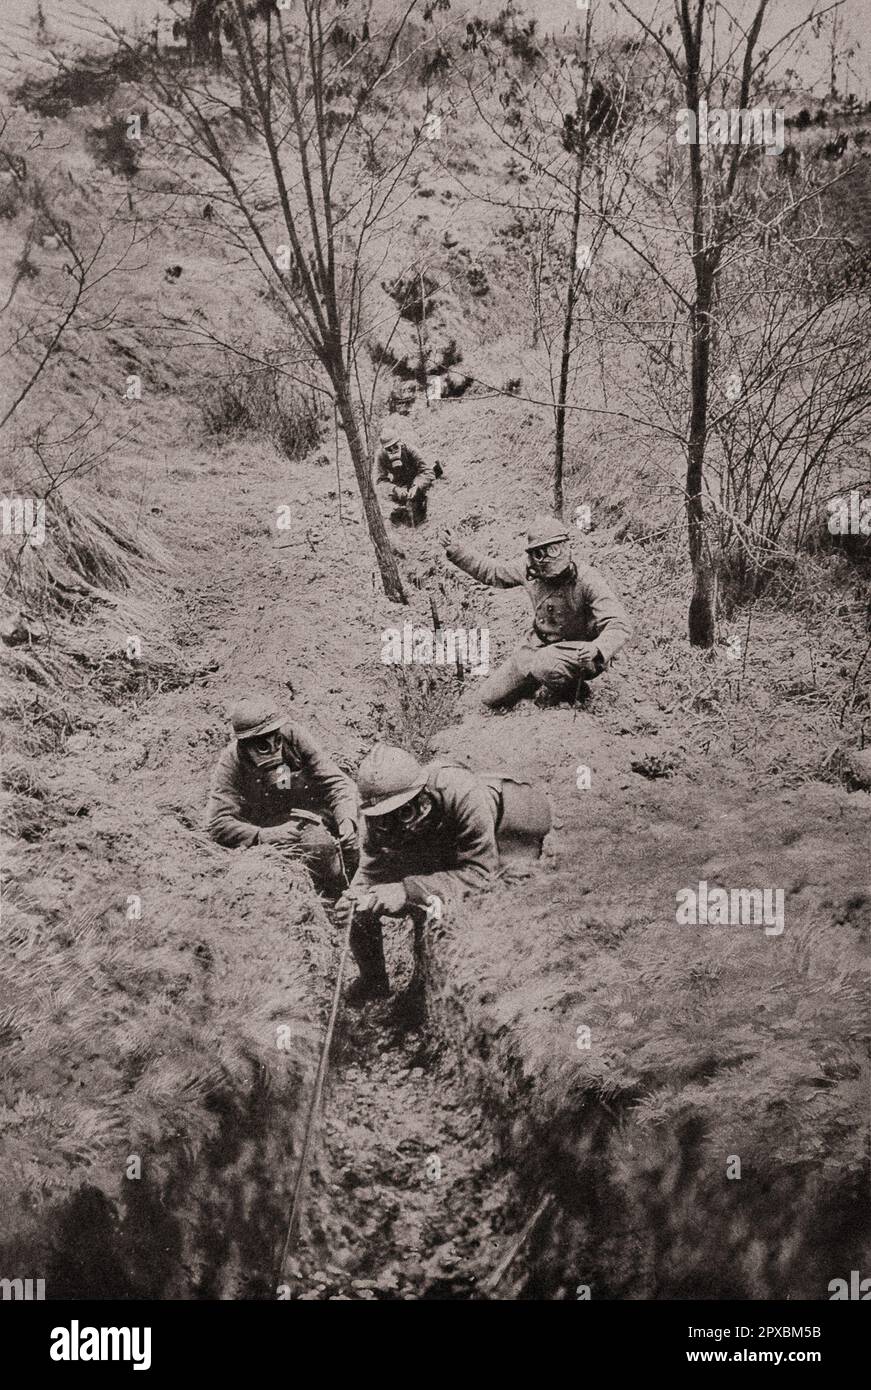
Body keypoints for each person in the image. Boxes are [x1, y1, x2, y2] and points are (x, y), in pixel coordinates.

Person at [336, 744, 551, 1004]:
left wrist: (406, 891)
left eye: (404, 812)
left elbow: (481, 874)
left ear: (422, 794)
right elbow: (370, 870)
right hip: (444, 839)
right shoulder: (374, 824)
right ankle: (374, 983)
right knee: (371, 907)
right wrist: (355, 898)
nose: (394, 825)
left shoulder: (459, 792)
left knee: (504, 899)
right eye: (384, 818)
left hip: (509, 820)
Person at [442, 513, 631, 707]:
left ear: (566, 546)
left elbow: (619, 623)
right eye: (540, 553)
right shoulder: (528, 570)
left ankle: (576, 691)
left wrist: (597, 648)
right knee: (491, 697)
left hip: (579, 653)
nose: (547, 557)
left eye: (554, 549)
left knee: (544, 663)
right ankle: (537, 679)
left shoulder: (587, 579)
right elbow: (494, 572)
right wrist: (458, 551)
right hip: (538, 645)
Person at [205, 697, 358, 895]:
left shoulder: (294, 737)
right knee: (319, 847)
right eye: (261, 745)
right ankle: (334, 896)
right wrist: (262, 835)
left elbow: (337, 782)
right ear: (244, 745)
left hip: (314, 809)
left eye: (276, 738)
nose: (273, 748)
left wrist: (346, 819)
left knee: (361, 829)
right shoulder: (232, 762)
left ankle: (358, 891)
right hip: (272, 824)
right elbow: (217, 822)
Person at [375, 423, 437, 526]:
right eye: (389, 449)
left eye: (395, 447)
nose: (393, 451)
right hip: (400, 485)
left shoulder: (410, 450)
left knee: (419, 500)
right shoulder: (381, 456)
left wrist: (417, 485)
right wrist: (395, 489)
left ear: (400, 443)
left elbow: (427, 471)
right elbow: (380, 481)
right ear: (383, 449)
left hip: (416, 478)